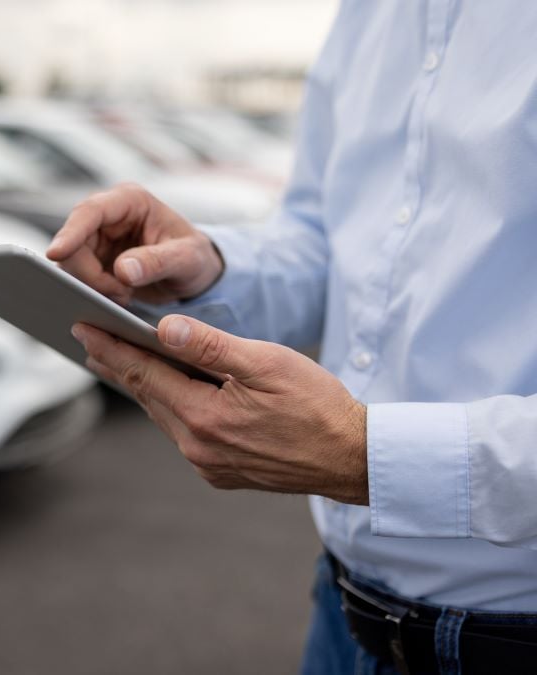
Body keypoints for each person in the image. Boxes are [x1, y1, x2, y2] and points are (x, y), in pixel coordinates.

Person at [45, 3, 537, 674]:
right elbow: (328, 239)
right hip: (341, 616)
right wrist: (209, 265)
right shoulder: (372, 14)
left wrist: (363, 454)